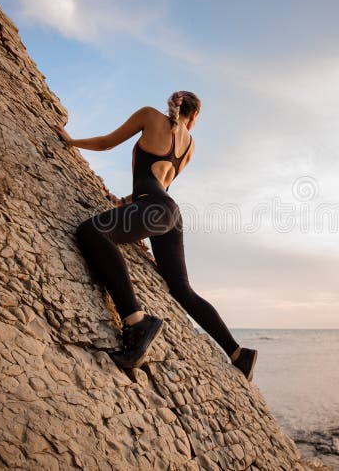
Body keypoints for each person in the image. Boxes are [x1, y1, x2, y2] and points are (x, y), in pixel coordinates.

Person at [51, 91, 257, 380]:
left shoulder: (150, 115)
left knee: (91, 231)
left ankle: (136, 321)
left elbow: (107, 143)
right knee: (182, 290)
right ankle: (238, 353)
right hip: (169, 214)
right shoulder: (190, 146)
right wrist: (124, 202)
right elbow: (161, 183)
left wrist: (71, 141)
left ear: (172, 104)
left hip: (155, 207)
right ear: (194, 115)